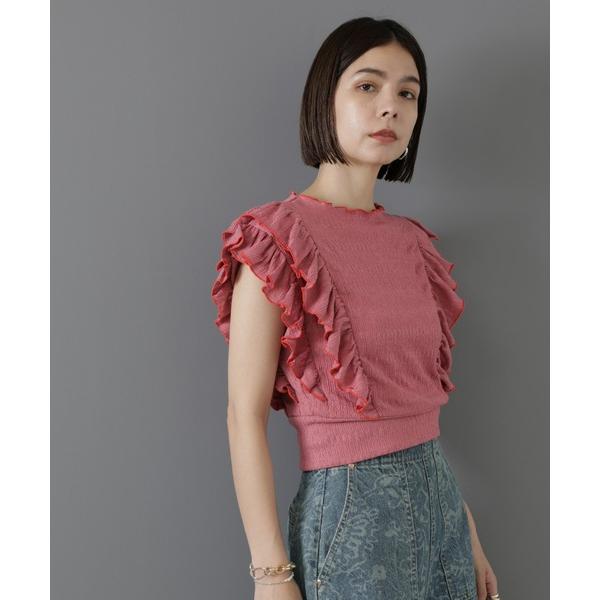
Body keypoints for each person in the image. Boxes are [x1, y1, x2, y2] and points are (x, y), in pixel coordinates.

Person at [210, 16, 500, 600]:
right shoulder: (275, 238)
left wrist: (466, 531)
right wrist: (270, 574)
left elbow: (417, 413)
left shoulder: (413, 243)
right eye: (368, 86)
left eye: (408, 94)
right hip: (351, 519)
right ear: (326, 100)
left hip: (442, 508)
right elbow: (243, 415)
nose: (390, 106)